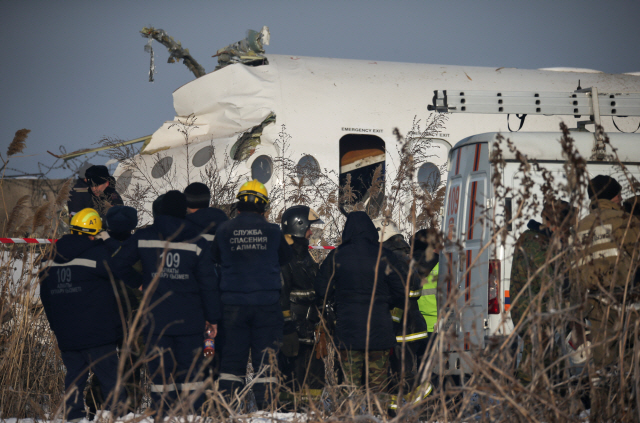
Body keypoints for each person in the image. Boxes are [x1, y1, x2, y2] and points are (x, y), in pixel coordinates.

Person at [111, 190, 219, 415]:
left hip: (156, 320)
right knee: (190, 375)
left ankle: (162, 415)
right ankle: (192, 416)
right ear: (184, 210)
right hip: (191, 320)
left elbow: (118, 263)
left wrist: (139, 283)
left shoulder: (144, 236)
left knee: (160, 375)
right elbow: (208, 284)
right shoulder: (197, 240)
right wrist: (213, 319)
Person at [212, 180, 293, 410]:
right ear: (264, 208)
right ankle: (267, 412)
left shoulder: (224, 229)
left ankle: (226, 411)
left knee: (231, 364)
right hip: (266, 307)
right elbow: (285, 258)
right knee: (266, 365)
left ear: (238, 205)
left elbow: (215, 257)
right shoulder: (273, 231)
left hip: (232, 306)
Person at [40, 208, 126, 421]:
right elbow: (122, 266)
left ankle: (74, 417)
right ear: (95, 230)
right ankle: (120, 416)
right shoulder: (98, 253)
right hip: (99, 332)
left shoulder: (49, 256)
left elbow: (46, 297)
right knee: (110, 378)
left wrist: (55, 326)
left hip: (67, 333)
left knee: (75, 376)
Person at [570, 175, 640, 420]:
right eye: (619, 194)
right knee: (630, 366)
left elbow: (573, 276)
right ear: (613, 195)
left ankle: (604, 414)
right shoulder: (626, 222)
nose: (621, 198)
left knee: (603, 370)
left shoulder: (579, 228)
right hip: (628, 307)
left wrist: (576, 319)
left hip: (595, 310)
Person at [314, 212, 405, 394]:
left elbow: (321, 291)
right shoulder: (385, 255)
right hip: (379, 329)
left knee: (348, 386)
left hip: (348, 331)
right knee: (378, 388)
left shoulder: (337, 256)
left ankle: (348, 416)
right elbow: (401, 290)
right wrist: (385, 302)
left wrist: (336, 303)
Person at [510, 199, 574, 385]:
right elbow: (552, 283)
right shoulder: (538, 244)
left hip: (535, 311)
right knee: (536, 361)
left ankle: (545, 400)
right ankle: (524, 399)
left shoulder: (536, 239)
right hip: (533, 313)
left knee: (549, 361)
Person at [371, 218, 430, 405]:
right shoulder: (406, 256)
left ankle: (418, 400)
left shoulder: (392, 258)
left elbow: (405, 292)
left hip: (402, 327)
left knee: (400, 372)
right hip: (412, 324)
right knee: (401, 370)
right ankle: (400, 407)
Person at [279, 205, 324, 400]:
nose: (311, 232)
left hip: (308, 327)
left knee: (315, 376)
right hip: (294, 331)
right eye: (308, 228)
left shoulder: (304, 256)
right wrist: (287, 328)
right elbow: (282, 295)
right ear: (298, 226)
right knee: (293, 378)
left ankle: (310, 414)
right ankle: (289, 413)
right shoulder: (284, 257)